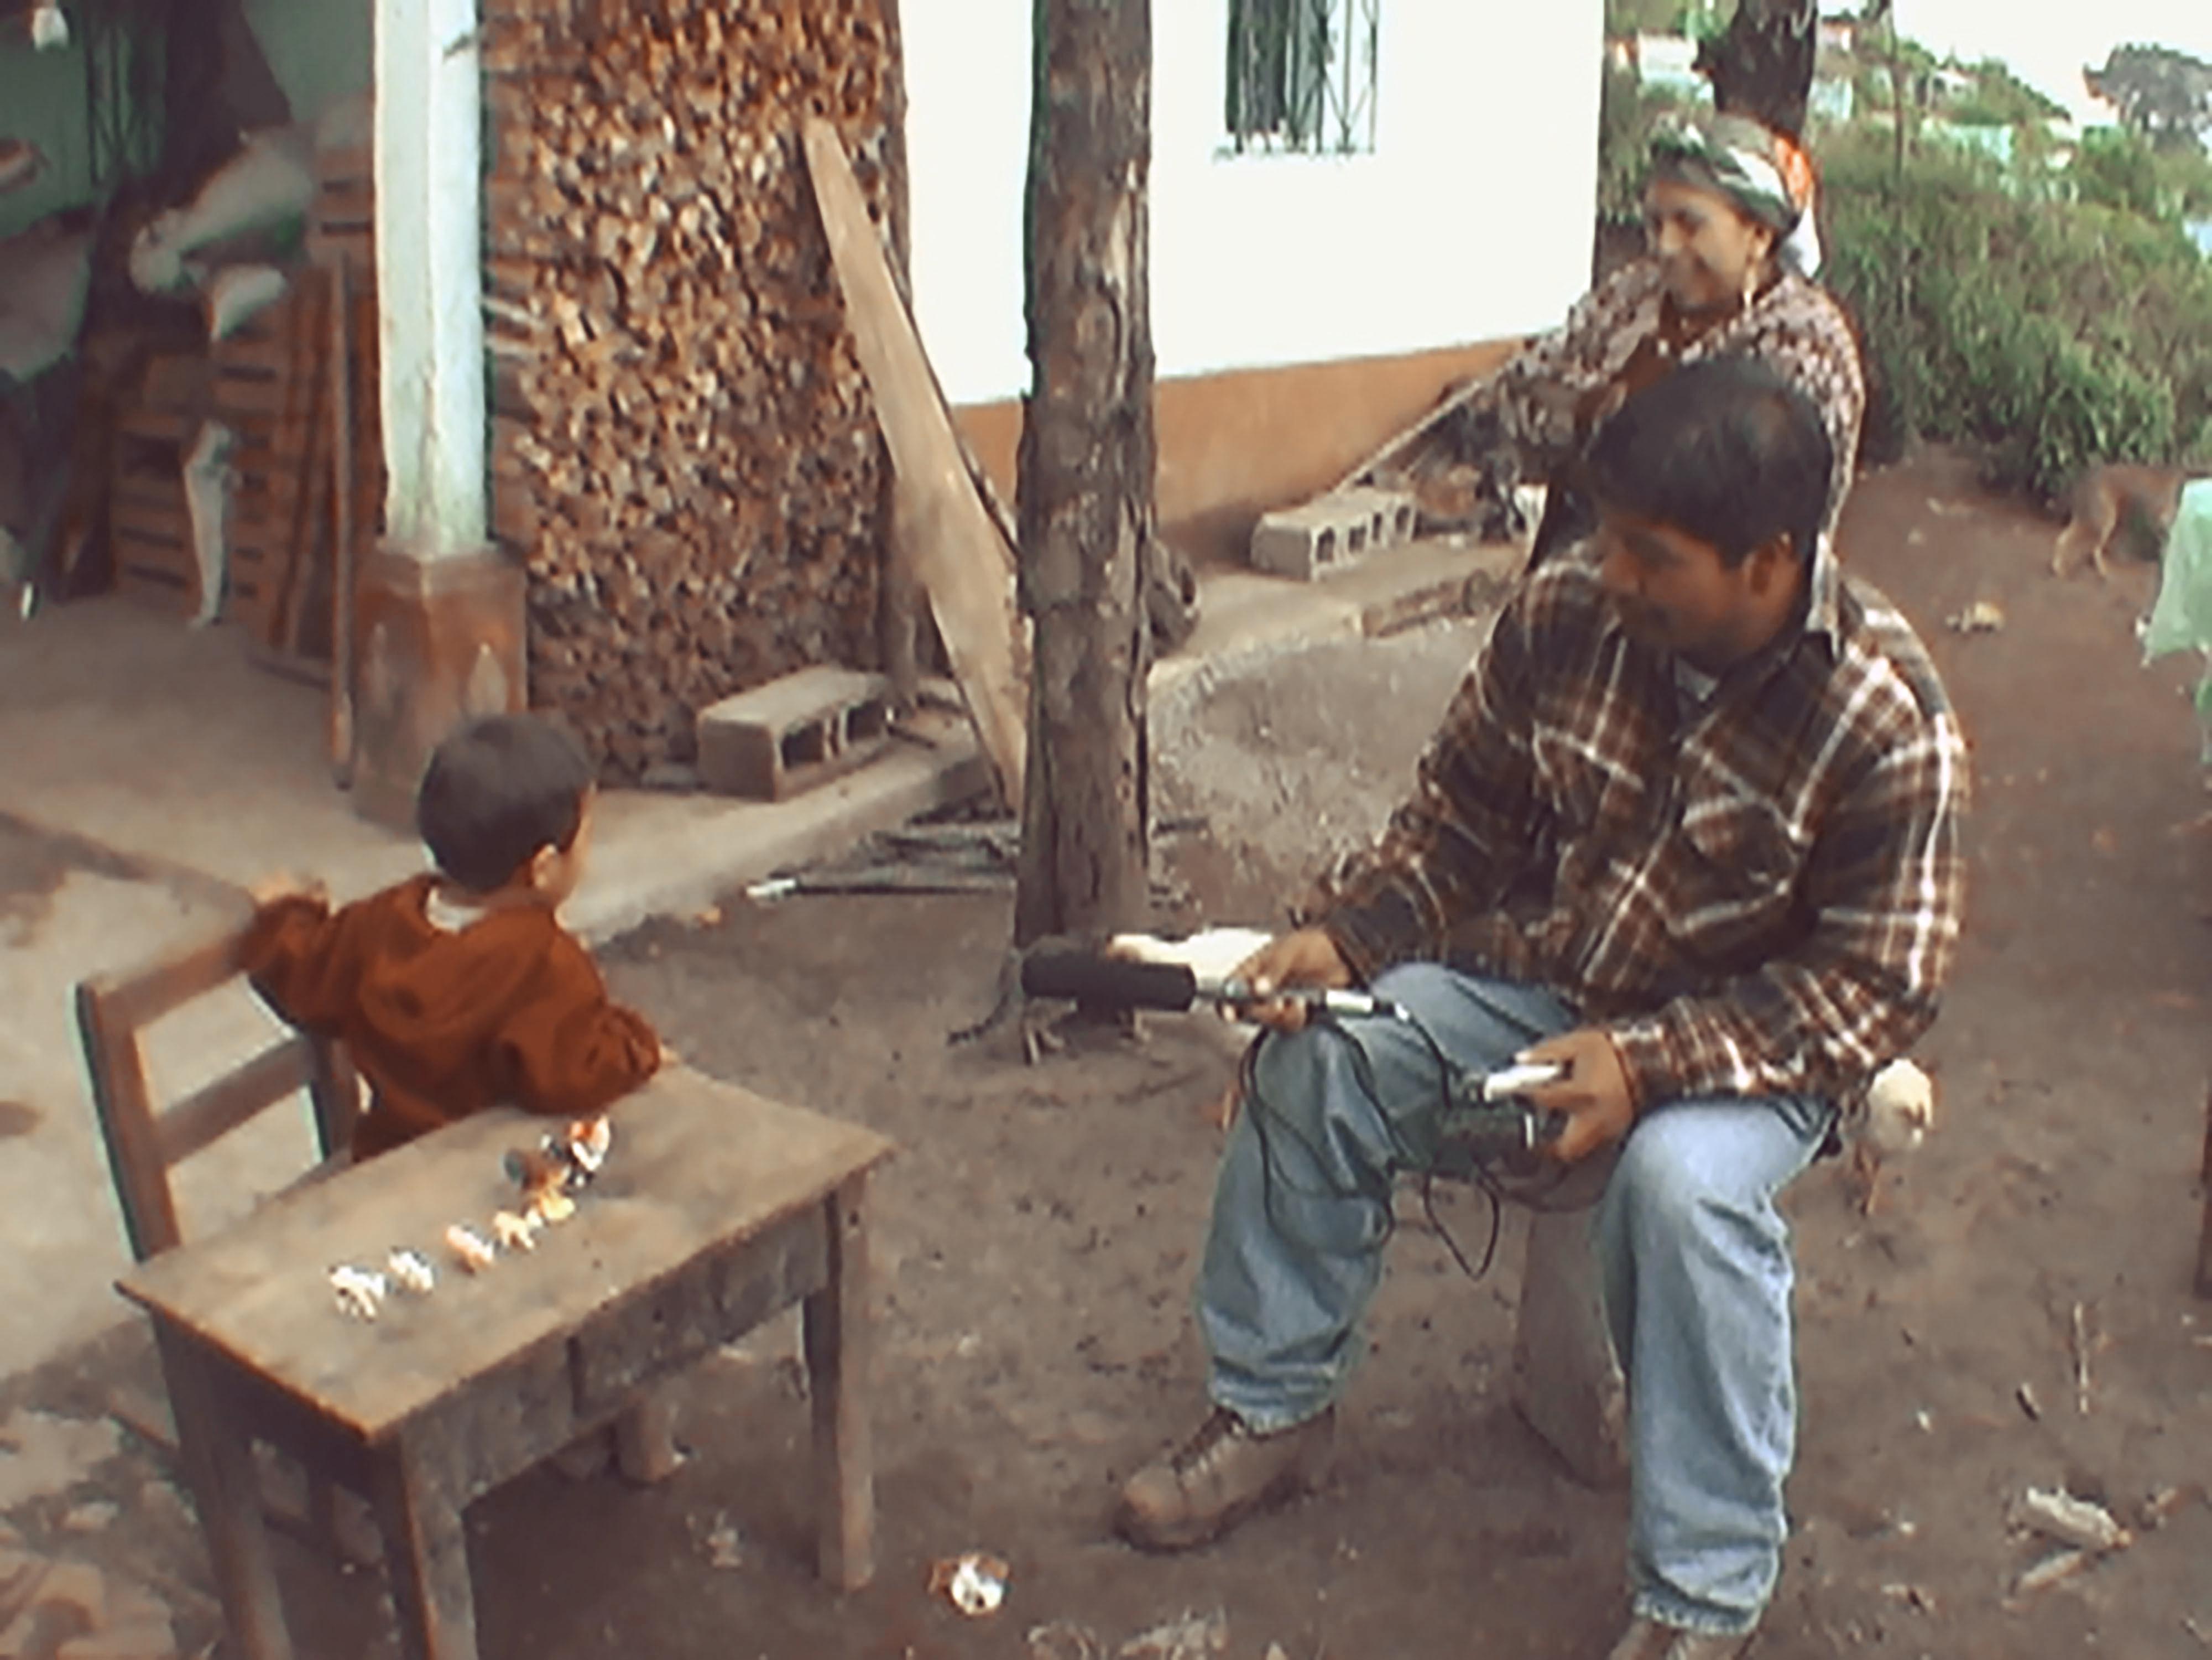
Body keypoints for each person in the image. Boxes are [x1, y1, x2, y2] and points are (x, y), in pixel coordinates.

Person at [1114, 358, 1966, 1660]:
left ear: (1767, 562)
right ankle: (1275, 1409)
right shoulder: (1571, 609)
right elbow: (1463, 813)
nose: (1609, 576)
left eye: (1650, 556)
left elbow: (1873, 986)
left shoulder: (1880, 713)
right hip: (1555, 980)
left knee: (1682, 1189)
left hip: (1759, 1048)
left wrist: (1649, 1061)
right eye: (1605, 539)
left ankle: (1704, 1584)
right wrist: (1347, 935)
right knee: (1323, 1055)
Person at [1392, 111, 1862, 573]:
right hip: (1584, 582)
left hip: (1715, 613)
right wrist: (1606, 411)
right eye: (1656, 223)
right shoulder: (1634, 297)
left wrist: (1601, 413)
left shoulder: (1804, 344)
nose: (1665, 245)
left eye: (1689, 224)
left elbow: (1718, 496)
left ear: (1758, 236)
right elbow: (1525, 397)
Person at [242, 712, 663, 1162]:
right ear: (542, 868)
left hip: (381, 1166)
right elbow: (575, 1072)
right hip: (480, 1175)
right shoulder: (544, 964)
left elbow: (301, 972)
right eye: (585, 837)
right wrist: (636, 1043)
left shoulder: (383, 918)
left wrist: (284, 915)